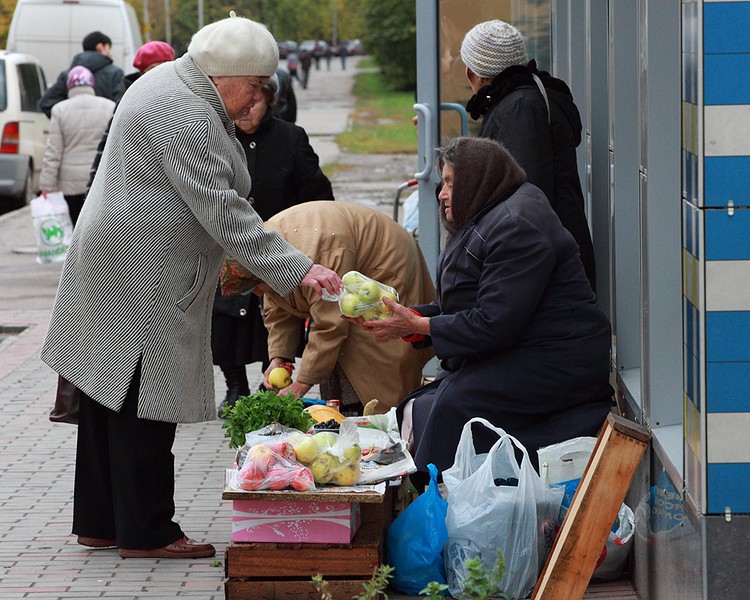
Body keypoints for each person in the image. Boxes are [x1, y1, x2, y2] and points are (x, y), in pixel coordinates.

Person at [40, 13, 341, 560]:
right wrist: (299, 269)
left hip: (119, 262)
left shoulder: (177, 81)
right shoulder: (181, 107)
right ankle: (149, 531)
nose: (258, 98)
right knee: (142, 400)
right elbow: (224, 212)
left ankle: (103, 522)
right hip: (140, 273)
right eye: (254, 85)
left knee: (109, 396)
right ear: (228, 72)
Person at [351, 137, 613, 487]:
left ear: (478, 181)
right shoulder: (491, 214)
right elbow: (470, 305)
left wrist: (419, 323)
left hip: (561, 360)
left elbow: (494, 323)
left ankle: (440, 497)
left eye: (449, 183)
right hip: (530, 347)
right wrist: (410, 325)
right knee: (424, 402)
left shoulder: (517, 225)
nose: (441, 194)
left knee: (450, 405)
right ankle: (429, 490)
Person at [224, 201, 436, 414]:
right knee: (339, 337)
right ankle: (345, 411)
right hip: (342, 255)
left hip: (383, 259)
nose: (259, 294)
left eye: (257, 287)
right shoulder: (270, 260)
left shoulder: (314, 257)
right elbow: (280, 310)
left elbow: (329, 325)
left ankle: (381, 420)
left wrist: (301, 384)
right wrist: (279, 358)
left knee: (372, 341)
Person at [213, 74, 333, 415]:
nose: (248, 111)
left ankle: (275, 381)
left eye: (257, 103)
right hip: (233, 244)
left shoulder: (290, 138)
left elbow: (318, 194)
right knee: (226, 319)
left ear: (269, 102)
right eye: (245, 104)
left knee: (276, 317)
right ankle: (235, 385)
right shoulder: (218, 137)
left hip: (282, 246)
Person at [460, 19, 597, 292]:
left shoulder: (521, 107)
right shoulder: (529, 98)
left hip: (540, 260)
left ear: (476, 74)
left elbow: (525, 198)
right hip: (551, 249)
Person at [86, 41, 175, 194]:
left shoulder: (179, 99)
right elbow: (108, 144)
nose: (159, 74)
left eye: (164, 68)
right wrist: (93, 188)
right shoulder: (128, 101)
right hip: (135, 187)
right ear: (142, 73)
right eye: (153, 69)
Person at [39, 66, 115, 225]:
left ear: (69, 86)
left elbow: (53, 152)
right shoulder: (109, 107)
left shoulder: (59, 110)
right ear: (91, 84)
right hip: (98, 180)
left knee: (73, 228)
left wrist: (47, 187)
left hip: (70, 184)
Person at [39, 31, 126, 118]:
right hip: (104, 130)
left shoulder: (67, 75)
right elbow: (121, 107)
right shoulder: (115, 74)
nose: (110, 53)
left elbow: (46, 103)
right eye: (108, 48)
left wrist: (65, 120)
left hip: (72, 130)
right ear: (100, 47)